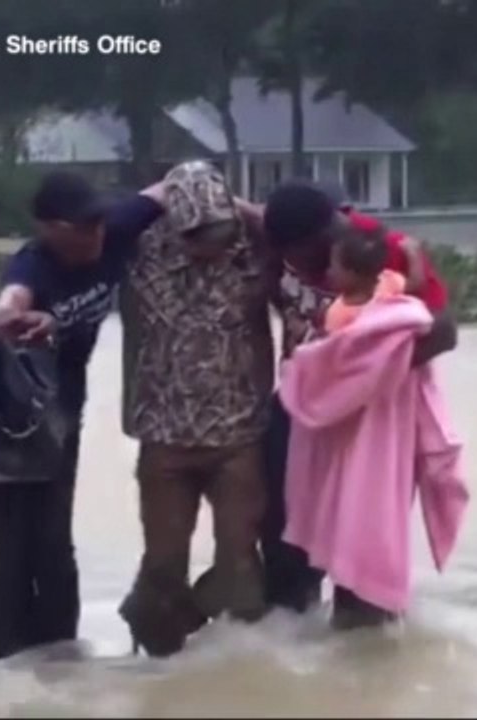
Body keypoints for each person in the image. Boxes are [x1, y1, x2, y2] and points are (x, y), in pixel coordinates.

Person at [0, 171, 167, 660]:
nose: (95, 234)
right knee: (12, 548)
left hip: (64, 419)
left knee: (56, 544)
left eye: (98, 222)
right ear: (49, 228)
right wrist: (15, 319)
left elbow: (173, 187)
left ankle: (63, 666)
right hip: (9, 426)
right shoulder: (32, 267)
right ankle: (5, 664)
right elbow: (9, 303)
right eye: (81, 227)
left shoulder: (112, 229)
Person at [256, 180, 458, 618]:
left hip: (372, 425)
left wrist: (362, 369)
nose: (322, 265)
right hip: (301, 409)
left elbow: (444, 332)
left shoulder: (384, 252)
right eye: (306, 255)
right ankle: (289, 653)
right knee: (285, 547)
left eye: (325, 252)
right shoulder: (279, 243)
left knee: (361, 551)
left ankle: (364, 645)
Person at [117, 160, 275, 656]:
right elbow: (101, 228)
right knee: (163, 568)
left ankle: (230, 678)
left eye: (223, 236)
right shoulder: (140, 250)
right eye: (203, 239)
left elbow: (299, 225)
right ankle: (162, 674)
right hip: (164, 440)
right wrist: (159, 193)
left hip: (239, 438)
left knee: (239, 564)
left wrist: (235, 207)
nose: (216, 250)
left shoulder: (251, 248)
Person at [322, 221, 410, 334]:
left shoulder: (337, 313)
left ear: (352, 273)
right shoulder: (389, 281)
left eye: (333, 266)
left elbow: (337, 346)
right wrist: (413, 254)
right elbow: (416, 284)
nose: (329, 271)